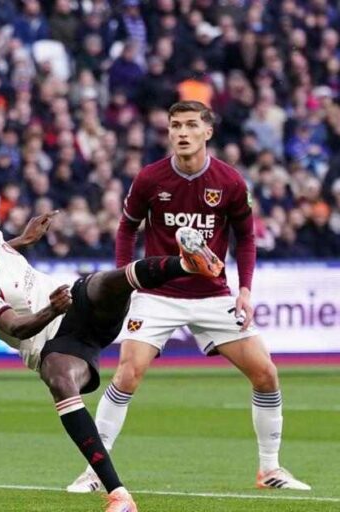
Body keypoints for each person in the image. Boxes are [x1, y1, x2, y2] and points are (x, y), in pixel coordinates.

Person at [66, 101, 311, 493]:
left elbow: (246, 237)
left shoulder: (230, 181)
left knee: (266, 373)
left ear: (207, 132)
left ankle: (269, 470)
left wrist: (245, 289)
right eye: (175, 125)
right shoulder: (150, 178)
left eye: (191, 125)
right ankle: (95, 472)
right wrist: (123, 279)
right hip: (158, 293)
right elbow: (127, 228)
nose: (182, 132)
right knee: (128, 374)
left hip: (212, 293)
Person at [0, 188, 227, 512]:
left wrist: (24, 239)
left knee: (105, 283)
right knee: (59, 379)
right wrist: (51, 310)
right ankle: (119, 495)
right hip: (54, 344)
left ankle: (188, 265)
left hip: (77, 305)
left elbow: (4, 254)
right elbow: (17, 327)